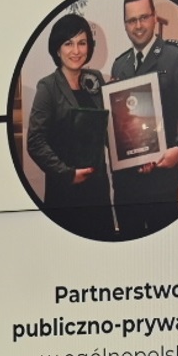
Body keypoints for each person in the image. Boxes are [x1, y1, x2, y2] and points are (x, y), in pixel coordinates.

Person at [109, 0, 178, 236]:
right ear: (125, 25)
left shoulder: (175, 57)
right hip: (126, 186)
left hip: (160, 184)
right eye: (131, 20)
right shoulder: (119, 66)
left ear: (154, 17)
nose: (138, 26)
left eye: (143, 17)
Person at [25, 12, 115, 238]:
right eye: (68, 43)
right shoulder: (48, 87)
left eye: (82, 43)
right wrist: (67, 174)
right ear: (57, 49)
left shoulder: (96, 79)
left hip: (98, 189)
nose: (76, 50)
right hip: (66, 192)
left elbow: (107, 130)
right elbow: (35, 142)